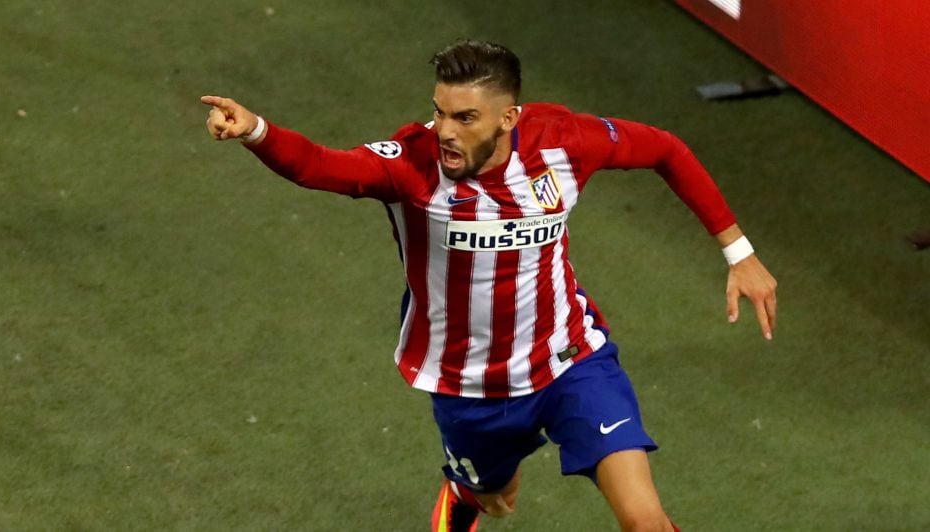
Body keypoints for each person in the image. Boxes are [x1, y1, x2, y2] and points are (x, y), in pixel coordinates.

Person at [201, 39, 777, 532]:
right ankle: (469, 491)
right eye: (439, 113)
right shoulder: (410, 163)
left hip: (569, 359)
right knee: (491, 498)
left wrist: (739, 252)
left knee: (645, 519)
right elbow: (318, 165)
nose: (444, 131)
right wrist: (255, 130)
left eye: (464, 118)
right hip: (469, 384)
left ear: (508, 118)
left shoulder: (562, 142)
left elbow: (666, 149)